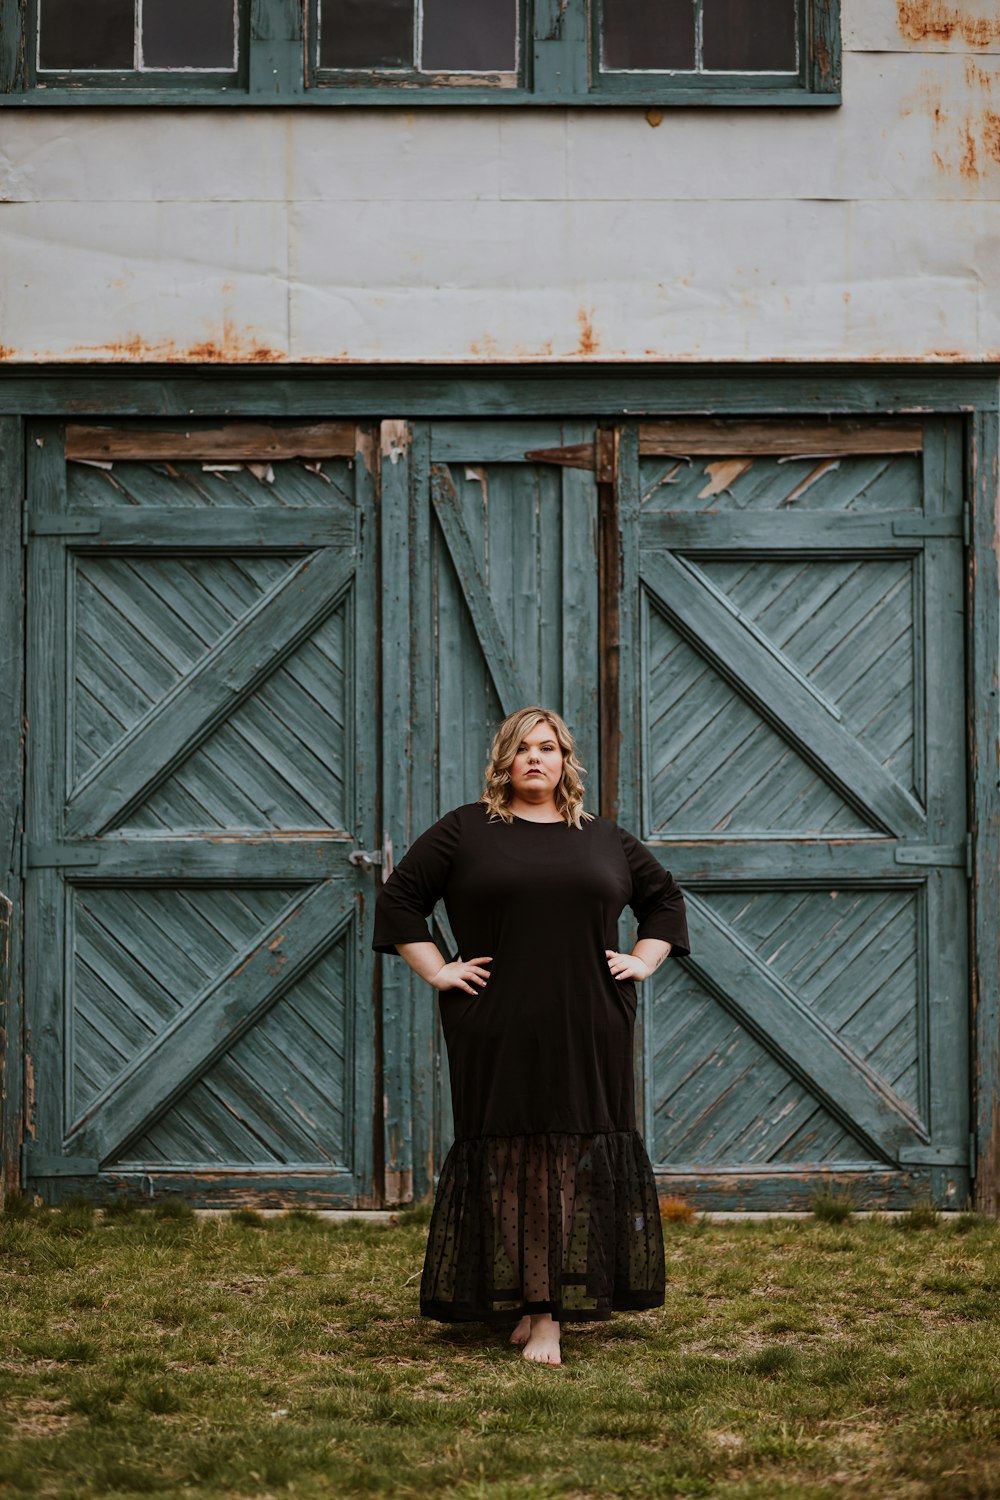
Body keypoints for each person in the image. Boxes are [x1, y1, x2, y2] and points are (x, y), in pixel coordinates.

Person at [371, 706, 689, 1367]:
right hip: (496, 1023)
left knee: (568, 1164)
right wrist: (437, 968)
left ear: (566, 760)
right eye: (522, 750)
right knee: (510, 1166)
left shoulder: (603, 839)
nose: (535, 759)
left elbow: (664, 900)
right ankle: (538, 1306)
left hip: (588, 1023)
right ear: (504, 763)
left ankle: (544, 1311)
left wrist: (645, 959)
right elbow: (400, 898)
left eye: (548, 748)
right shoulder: (465, 831)